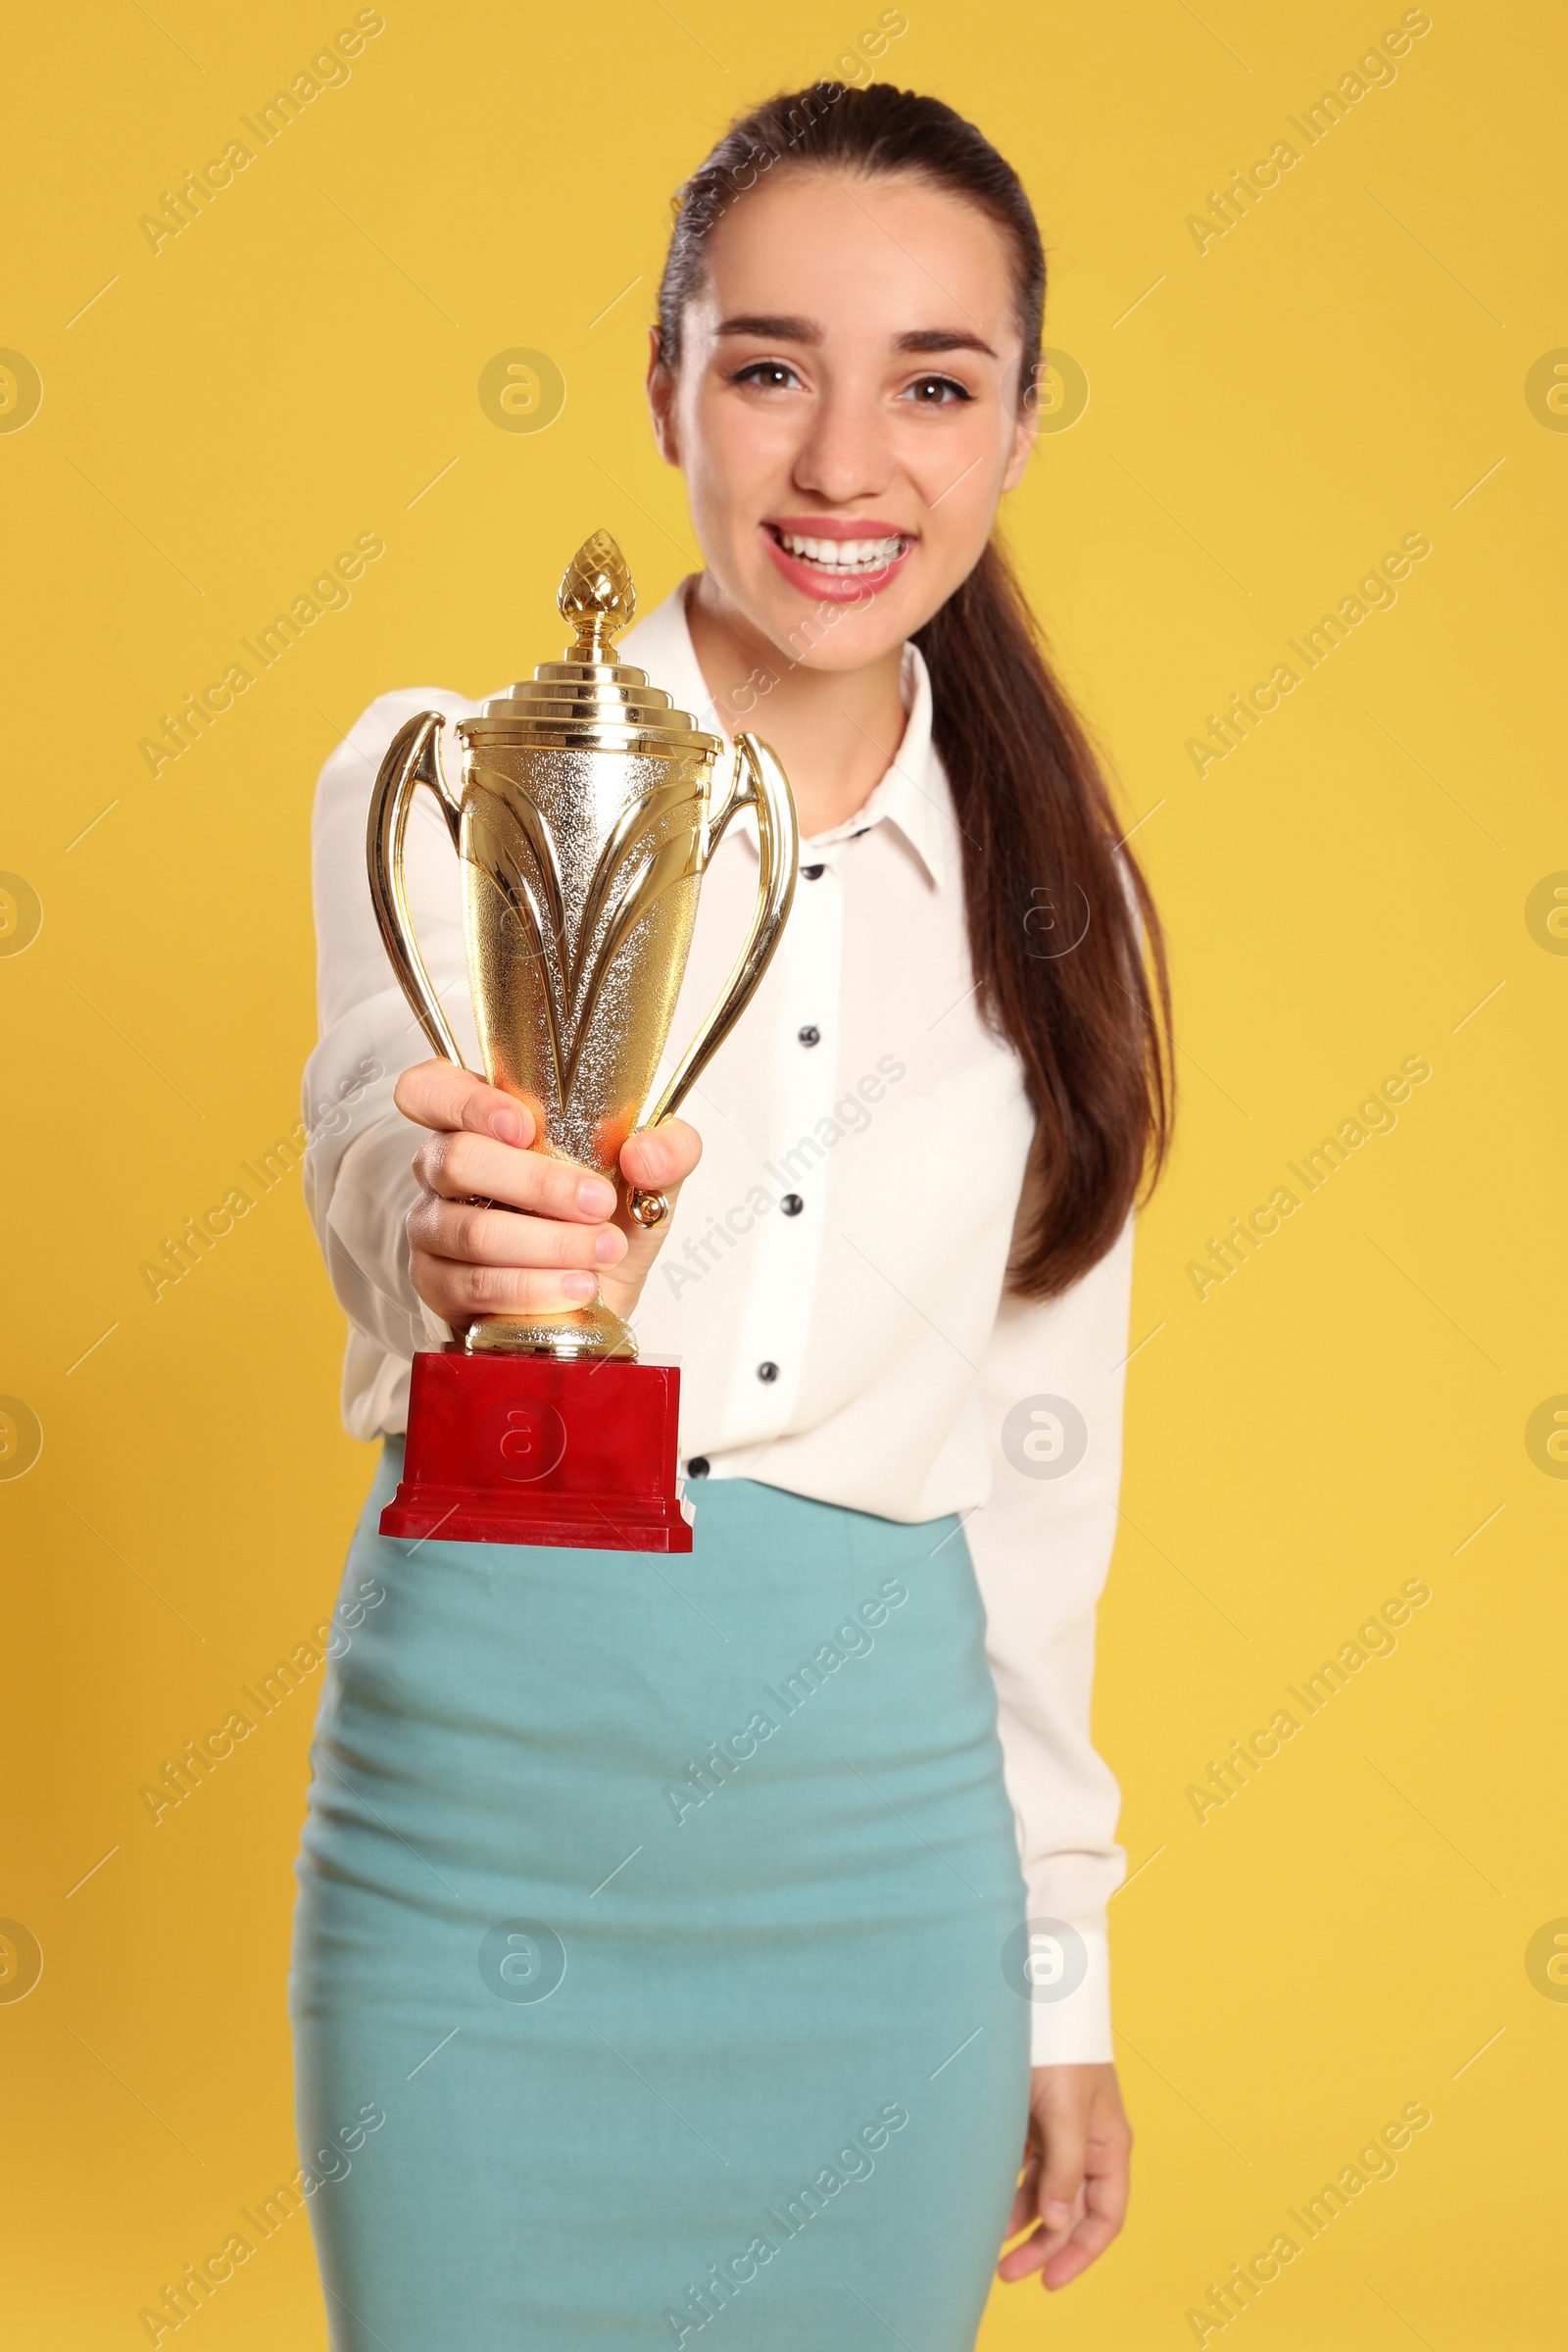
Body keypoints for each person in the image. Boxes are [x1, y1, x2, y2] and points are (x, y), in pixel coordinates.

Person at [290, 79, 1171, 2352]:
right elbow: (374, 1152)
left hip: (878, 1884)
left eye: (934, 385)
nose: (843, 463)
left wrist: (1053, 1967)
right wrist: (457, 1226)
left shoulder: (1063, 903)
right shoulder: (444, 776)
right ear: (665, 379)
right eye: (769, 365)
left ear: (1014, 427)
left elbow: (1038, 1464)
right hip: (477, 1822)